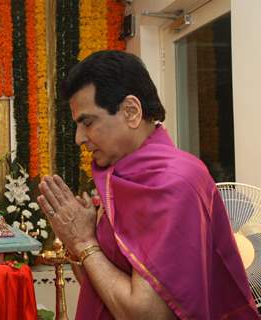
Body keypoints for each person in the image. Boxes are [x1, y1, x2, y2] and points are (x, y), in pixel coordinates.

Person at [37, 50, 258, 319]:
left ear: (131, 111)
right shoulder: (122, 178)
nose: (79, 138)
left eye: (88, 122)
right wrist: (80, 243)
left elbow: (148, 313)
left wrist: (84, 242)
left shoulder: (174, 183)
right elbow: (100, 287)